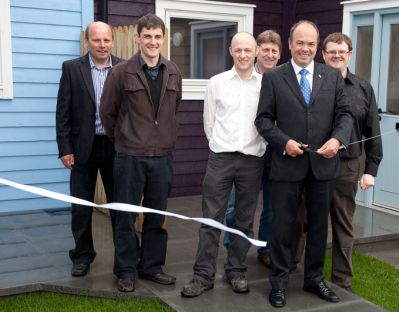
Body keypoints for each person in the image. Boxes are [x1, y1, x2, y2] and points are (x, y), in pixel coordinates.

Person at [255, 20, 353, 307]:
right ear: (290, 44)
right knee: (283, 227)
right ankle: (280, 282)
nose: (305, 48)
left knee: (319, 227)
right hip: (287, 164)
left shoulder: (332, 77)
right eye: (300, 42)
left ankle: (314, 279)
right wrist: (283, 141)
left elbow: (345, 115)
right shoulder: (274, 78)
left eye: (311, 43)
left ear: (317, 45)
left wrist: (337, 140)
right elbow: (263, 120)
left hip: (323, 167)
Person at [100, 13, 182, 293]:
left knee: (156, 216)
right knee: (125, 215)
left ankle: (151, 267)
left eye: (157, 36)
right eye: (147, 36)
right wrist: (124, 139)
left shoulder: (173, 71)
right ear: (138, 39)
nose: (152, 41)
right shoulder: (121, 72)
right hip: (130, 156)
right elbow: (107, 112)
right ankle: (125, 270)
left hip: (162, 157)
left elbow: (174, 108)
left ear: (163, 39)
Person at [181, 32, 266, 298]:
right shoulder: (216, 83)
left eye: (248, 50)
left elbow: (268, 121)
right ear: (231, 51)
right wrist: (219, 145)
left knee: (244, 219)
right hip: (221, 158)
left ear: (256, 53)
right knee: (211, 219)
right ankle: (203, 275)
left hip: (252, 160)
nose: (243, 55)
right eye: (238, 49)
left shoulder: (266, 84)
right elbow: (209, 122)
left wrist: (259, 147)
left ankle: (237, 271)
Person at [56, 21, 122, 277]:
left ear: (112, 42)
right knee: (80, 206)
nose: (102, 45)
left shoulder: (124, 68)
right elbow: (63, 112)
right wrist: (65, 148)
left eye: (106, 40)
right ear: (87, 42)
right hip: (83, 147)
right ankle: (83, 255)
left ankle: (125, 256)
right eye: (97, 40)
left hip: (116, 147)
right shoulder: (72, 69)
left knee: (120, 205)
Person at [322, 32, 382, 292]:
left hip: (347, 165)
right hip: (312, 164)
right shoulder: (311, 83)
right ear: (323, 55)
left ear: (349, 54)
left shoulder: (363, 87)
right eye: (331, 51)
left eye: (341, 51)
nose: (336, 55)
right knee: (303, 220)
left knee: (343, 224)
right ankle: (294, 269)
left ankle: (342, 280)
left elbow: (373, 129)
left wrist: (371, 169)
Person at [223, 30, 282, 268]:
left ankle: (265, 247)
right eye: (265, 49)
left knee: (270, 205)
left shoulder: (283, 79)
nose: (269, 54)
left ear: (279, 54)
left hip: (274, 153)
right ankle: (232, 248)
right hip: (245, 152)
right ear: (257, 51)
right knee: (234, 206)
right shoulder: (246, 77)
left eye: (274, 51)